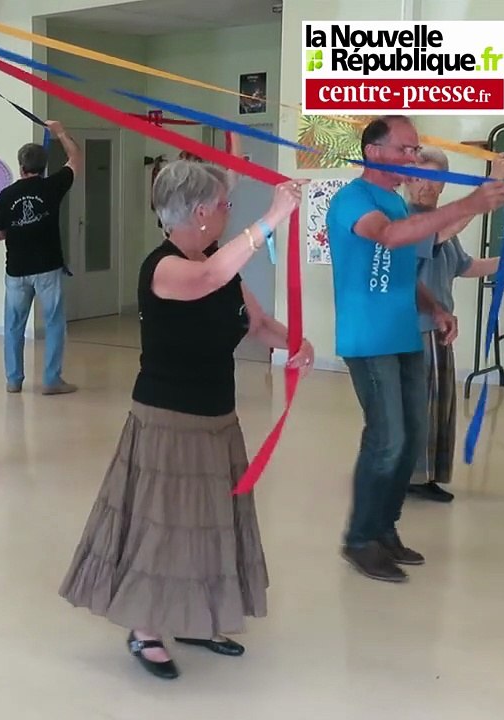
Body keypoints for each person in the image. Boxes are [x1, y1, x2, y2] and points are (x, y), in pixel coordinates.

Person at [60, 161, 312, 680]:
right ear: (200, 212)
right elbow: (209, 279)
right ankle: (145, 628)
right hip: (168, 421)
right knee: (166, 529)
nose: (227, 212)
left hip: (216, 418)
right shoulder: (166, 268)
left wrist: (295, 341)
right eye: (223, 205)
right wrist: (274, 216)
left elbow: (256, 322)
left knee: (207, 527)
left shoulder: (218, 260)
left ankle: (193, 616)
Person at [327, 115, 504, 583]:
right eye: (406, 149)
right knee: (386, 438)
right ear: (374, 152)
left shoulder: (393, 199)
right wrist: (470, 201)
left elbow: (403, 269)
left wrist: (436, 308)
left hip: (404, 333)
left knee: (410, 439)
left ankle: (383, 529)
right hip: (368, 340)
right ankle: (359, 540)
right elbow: (387, 237)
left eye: (415, 150)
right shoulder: (353, 201)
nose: (413, 158)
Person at [403, 149, 504, 503]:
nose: (426, 186)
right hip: (414, 329)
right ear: (407, 182)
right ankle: (409, 476)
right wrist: (494, 182)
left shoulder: (440, 223)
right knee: (417, 406)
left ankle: (428, 476)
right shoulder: (406, 220)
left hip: (441, 330)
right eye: (418, 178)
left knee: (440, 405)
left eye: (435, 180)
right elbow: (451, 226)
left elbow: (466, 266)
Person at [0, 120, 81, 396]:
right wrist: (61, 132)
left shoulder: (7, 195)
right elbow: (76, 158)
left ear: (20, 166)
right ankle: (52, 380)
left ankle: (14, 381)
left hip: (17, 270)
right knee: (54, 324)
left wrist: (16, 229)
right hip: (48, 268)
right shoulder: (53, 186)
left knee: (14, 327)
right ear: (44, 167)